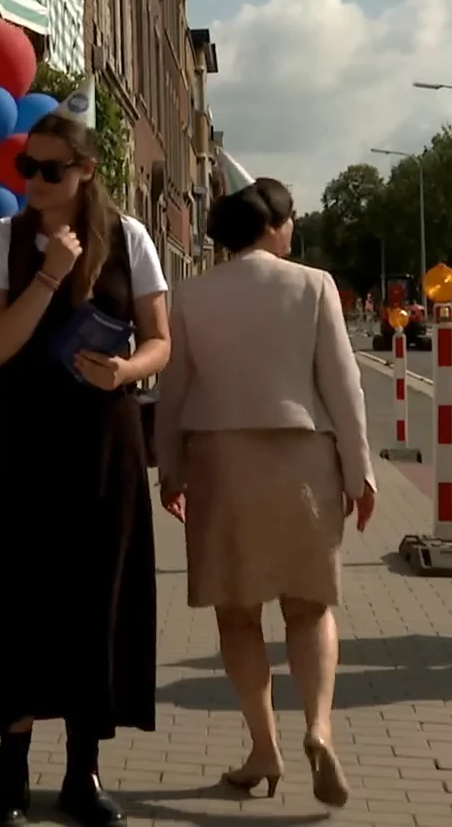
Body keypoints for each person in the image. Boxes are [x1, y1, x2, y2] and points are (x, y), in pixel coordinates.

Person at [0, 111, 172, 827]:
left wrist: (125, 373)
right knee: (21, 595)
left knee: (98, 597)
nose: (35, 182)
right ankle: (12, 772)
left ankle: (84, 771)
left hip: (103, 437)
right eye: (27, 167)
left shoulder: (131, 238)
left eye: (52, 170)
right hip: (27, 436)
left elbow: (161, 343)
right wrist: (51, 276)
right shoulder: (4, 239)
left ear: (85, 171)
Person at [151, 178, 376, 808]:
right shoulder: (313, 285)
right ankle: (319, 727)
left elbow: (174, 391)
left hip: (220, 462)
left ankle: (264, 745)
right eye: (292, 218)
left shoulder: (192, 295)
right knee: (309, 607)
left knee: (237, 613)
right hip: (303, 458)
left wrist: (170, 468)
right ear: (274, 224)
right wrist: (359, 474)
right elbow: (344, 386)